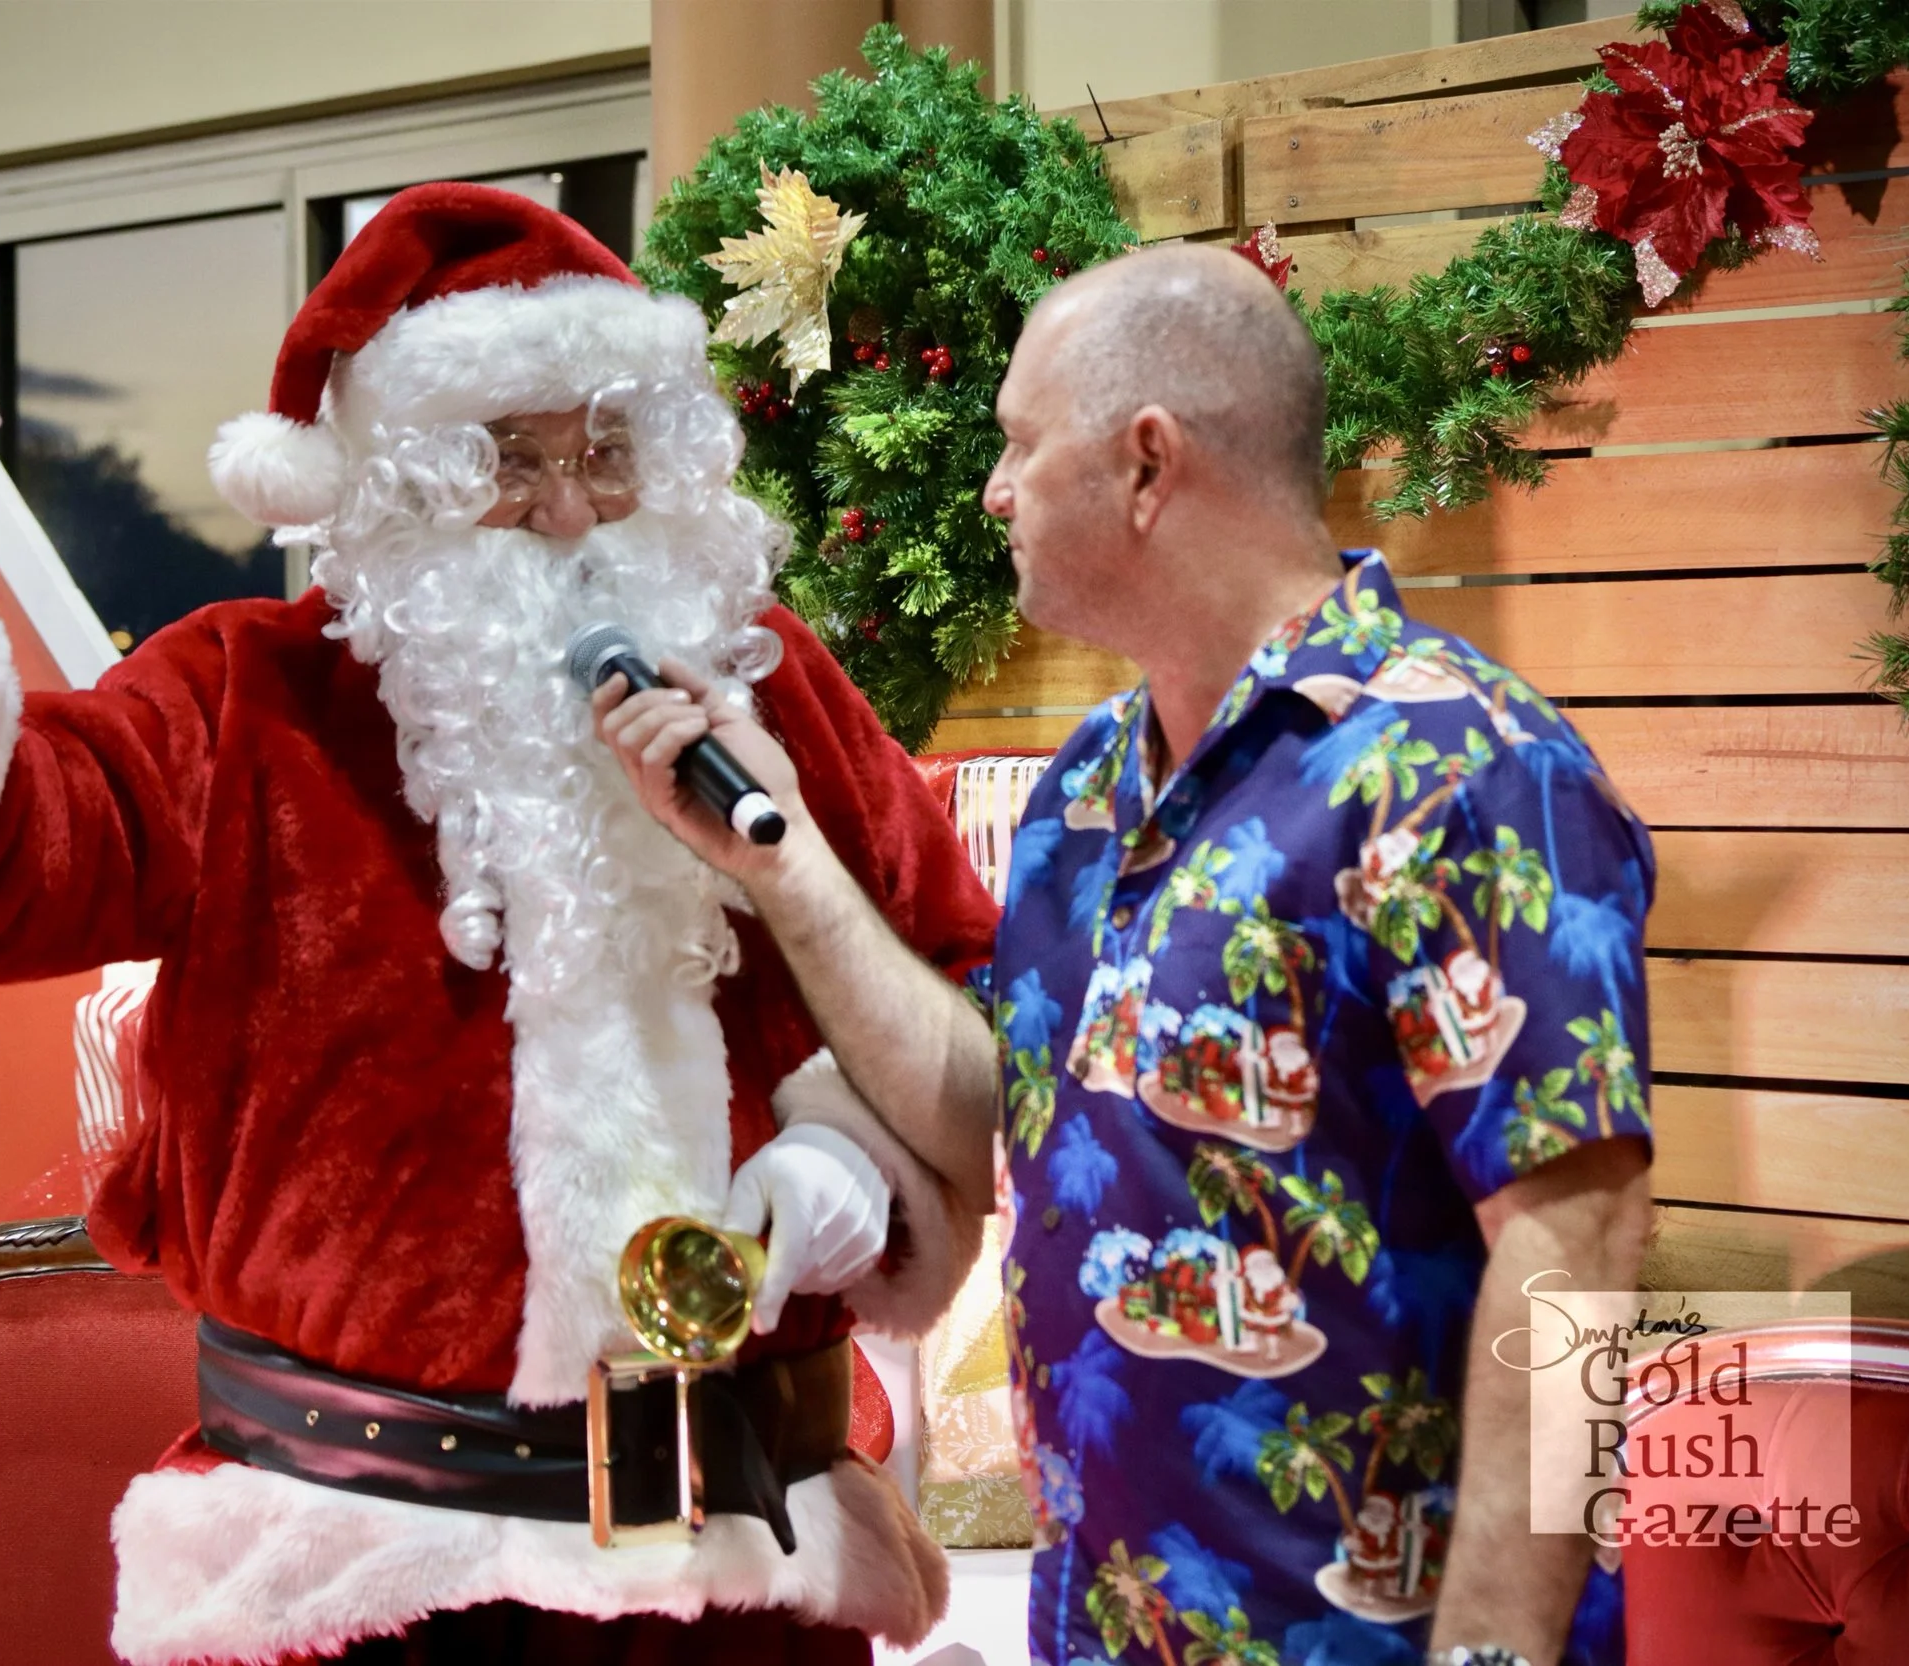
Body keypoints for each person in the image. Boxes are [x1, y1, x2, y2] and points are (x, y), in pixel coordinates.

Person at [0, 185, 997, 1666]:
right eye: (508, 461)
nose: (574, 511)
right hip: (362, 1586)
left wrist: (847, 1158)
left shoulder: (770, 692)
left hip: (743, 1577)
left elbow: (961, 984)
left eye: (607, 453)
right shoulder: (245, 702)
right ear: (395, 481)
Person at [592, 242, 1654, 1666]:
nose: (995, 488)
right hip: (1104, 1626)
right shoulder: (1089, 785)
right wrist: (781, 867)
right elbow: (1003, 1115)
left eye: (1023, 444)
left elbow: (1577, 1244)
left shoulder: (1459, 763)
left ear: (1147, 464)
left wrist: (1493, 1654)